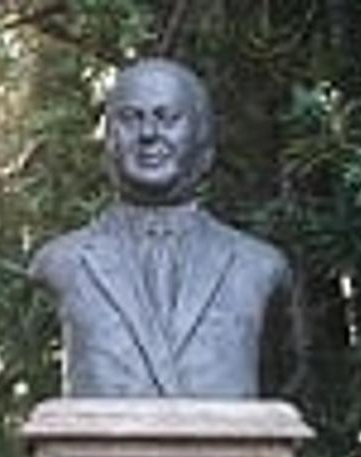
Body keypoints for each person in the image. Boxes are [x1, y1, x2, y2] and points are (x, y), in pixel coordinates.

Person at [31, 58, 289, 399]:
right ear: (108, 139)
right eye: (130, 118)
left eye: (167, 118)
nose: (149, 134)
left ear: (202, 136)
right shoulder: (63, 261)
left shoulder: (257, 266)